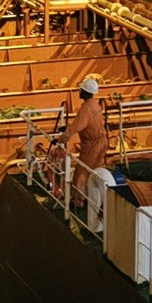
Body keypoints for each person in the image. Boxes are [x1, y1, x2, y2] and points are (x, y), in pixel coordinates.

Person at [61, 75, 108, 207]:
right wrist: (68, 127)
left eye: (81, 90)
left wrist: (60, 139)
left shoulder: (85, 109)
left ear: (86, 92)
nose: (79, 92)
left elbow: (76, 127)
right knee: (96, 170)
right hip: (101, 142)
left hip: (92, 145)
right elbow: (85, 124)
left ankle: (79, 200)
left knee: (81, 172)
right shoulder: (96, 106)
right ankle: (96, 198)